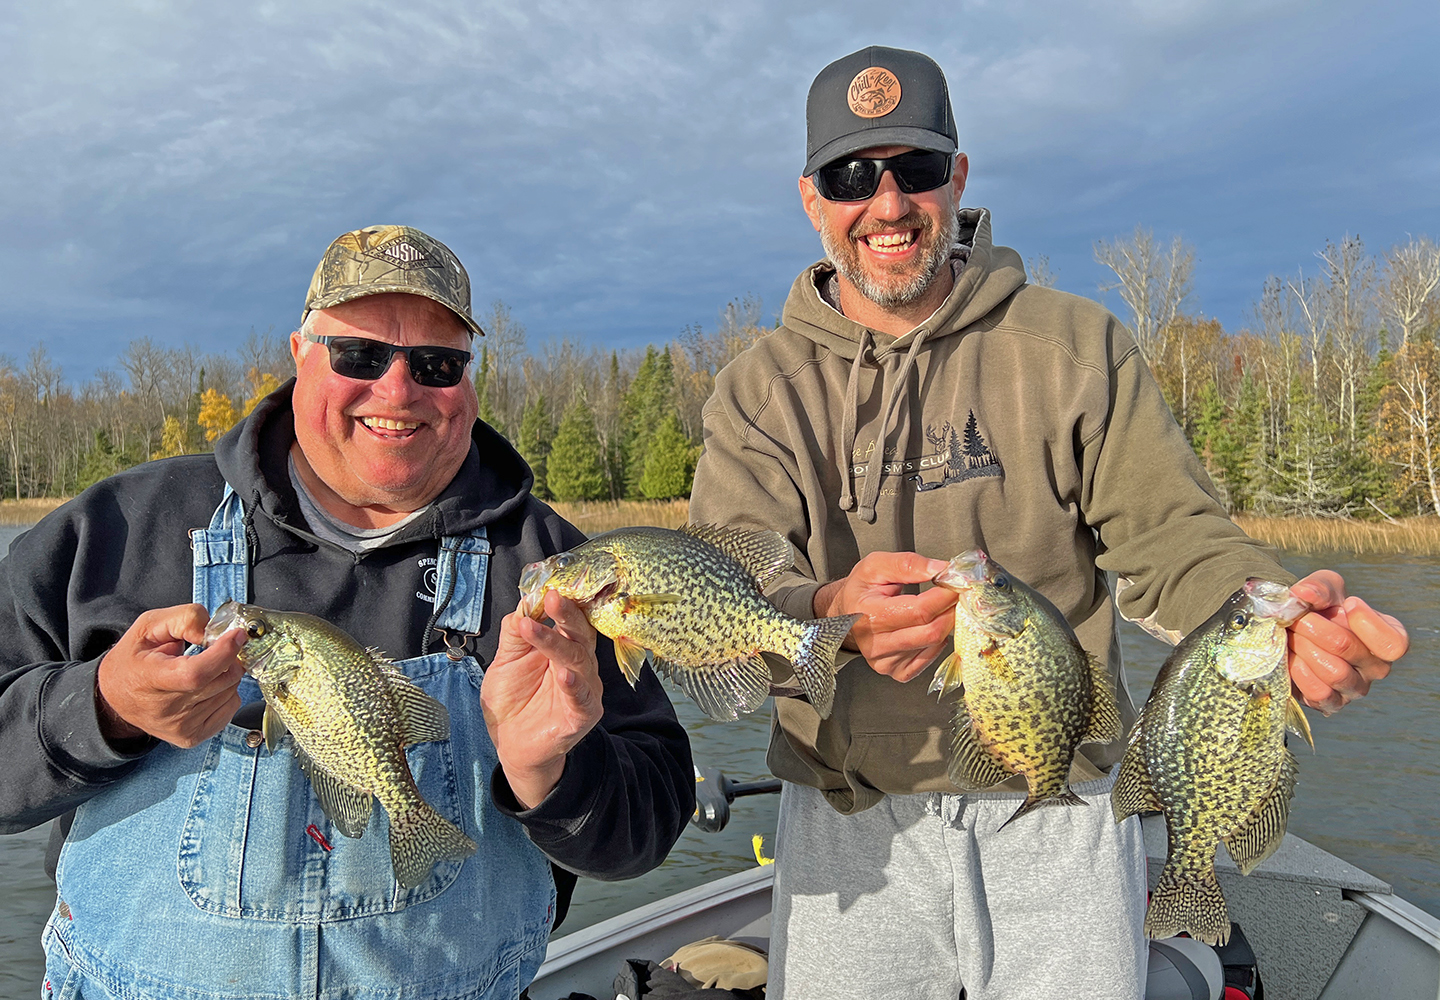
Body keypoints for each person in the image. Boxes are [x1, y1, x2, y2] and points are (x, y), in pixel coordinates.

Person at [688, 46, 1409, 1000]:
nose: (889, 203)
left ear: (961, 178)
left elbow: (1173, 540)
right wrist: (827, 610)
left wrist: (1274, 621)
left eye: (917, 169)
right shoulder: (755, 394)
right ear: (813, 199)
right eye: (853, 176)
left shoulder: (1076, 347)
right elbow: (727, 594)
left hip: (1065, 806)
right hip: (848, 818)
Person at [0, 225, 694, 1000]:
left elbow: (649, 825)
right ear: (299, 353)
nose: (397, 391)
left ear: (469, 380)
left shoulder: (554, 574)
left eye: (436, 363)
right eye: (359, 355)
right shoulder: (121, 531)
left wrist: (552, 773)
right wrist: (102, 709)